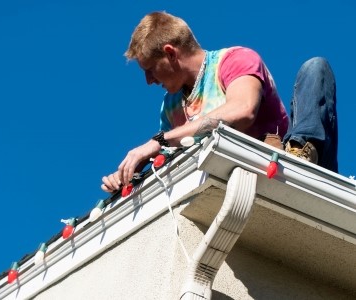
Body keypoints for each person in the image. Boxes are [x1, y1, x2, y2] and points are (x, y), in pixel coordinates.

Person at [101, 11, 338, 193]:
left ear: (171, 53)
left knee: (315, 68)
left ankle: (300, 153)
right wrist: (126, 176)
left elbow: (243, 110)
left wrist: (160, 139)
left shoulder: (233, 60)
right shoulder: (171, 106)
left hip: (281, 165)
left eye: (150, 69)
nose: (148, 80)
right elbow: (164, 157)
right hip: (229, 180)